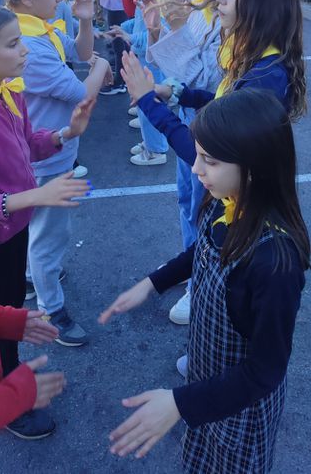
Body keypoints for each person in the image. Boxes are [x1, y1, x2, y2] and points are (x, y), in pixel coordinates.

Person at [99, 88, 309, 473]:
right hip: (205, 383)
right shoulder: (225, 201)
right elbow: (203, 251)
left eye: (208, 161)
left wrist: (180, 404)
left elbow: (265, 371)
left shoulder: (275, 265)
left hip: (242, 412)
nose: (196, 170)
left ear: (255, 166)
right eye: (198, 155)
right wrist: (153, 283)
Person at [0, 3, 94, 440]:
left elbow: (27, 144)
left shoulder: (9, 90)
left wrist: (65, 134)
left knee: (8, 306)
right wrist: (35, 196)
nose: (25, 50)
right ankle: (4, 397)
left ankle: (9, 375)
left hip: (15, 227)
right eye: (13, 43)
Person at [139, 0, 254, 324]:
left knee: (208, 206)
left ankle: (200, 280)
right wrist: (158, 33)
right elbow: (178, 67)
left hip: (211, 126)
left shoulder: (228, 8)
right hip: (191, 113)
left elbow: (209, 76)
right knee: (189, 202)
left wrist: (172, 42)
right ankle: (195, 268)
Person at [0, 0, 112, 352]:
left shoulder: (37, 29)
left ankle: (37, 277)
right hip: (47, 157)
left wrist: (84, 20)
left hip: (51, 148)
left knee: (41, 233)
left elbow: (80, 53)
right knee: (50, 237)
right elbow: (83, 90)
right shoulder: (29, 47)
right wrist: (103, 65)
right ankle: (52, 310)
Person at [106, 0, 180, 163]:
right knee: (146, 103)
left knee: (150, 104)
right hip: (146, 54)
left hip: (151, 56)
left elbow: (157, 30)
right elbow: (141, 21)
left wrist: (130, 37)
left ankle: (156, 149)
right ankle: (151, 141)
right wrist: (125, 28)